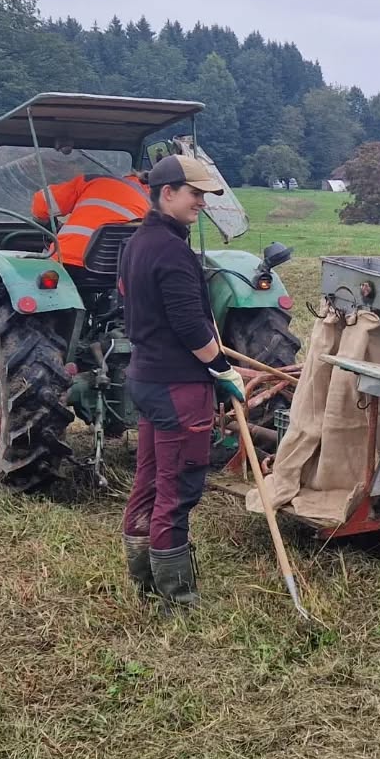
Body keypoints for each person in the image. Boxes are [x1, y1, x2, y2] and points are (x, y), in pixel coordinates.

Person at [117, 154, 247, 608]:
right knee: (177, 488)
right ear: (167, 193)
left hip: (146, 378)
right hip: (177, 386)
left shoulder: (136, 243)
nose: (202, 203)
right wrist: (222, 369)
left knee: (149, 481)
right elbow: (190, 325)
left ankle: (145, 581)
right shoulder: (172, 251)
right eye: (195, 194)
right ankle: (177, 596)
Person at [31, 168, 150, 268]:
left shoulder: (94, 181)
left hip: (65, 259)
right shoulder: (154, 205)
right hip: (115, 271)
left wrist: (51, 225)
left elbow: (41, 203)